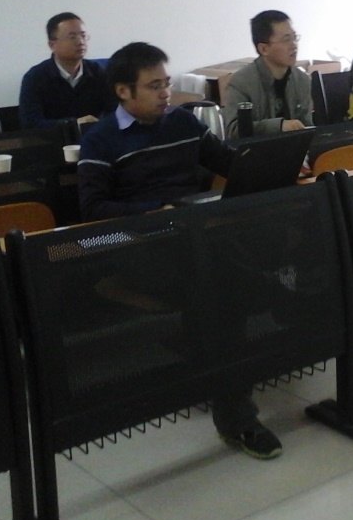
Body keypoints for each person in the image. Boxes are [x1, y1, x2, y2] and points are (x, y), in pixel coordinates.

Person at [77, 41, 283, 459]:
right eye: (153, 86)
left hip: (195, 236)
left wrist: (273, 165)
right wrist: (154, 211)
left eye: (166, 84)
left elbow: (228, 162)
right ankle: (238, 417)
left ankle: (217, 361)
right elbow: (93, 209)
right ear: (123, 91)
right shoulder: (101, 139)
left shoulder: (182, 122)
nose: (165, 93)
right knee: (229, 290)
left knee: (230, 281)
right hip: (142, 244)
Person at [223, 10, 313, 138]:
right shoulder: (241, 83)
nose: (294, 45)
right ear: (264, 49)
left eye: (294, 37)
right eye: (286, 39)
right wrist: (279, 126)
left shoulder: (302, 80)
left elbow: (308, 127)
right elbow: (233, 131)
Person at [18, 12, 112, 129]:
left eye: (83, 36)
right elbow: (31, 124)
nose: (80, 42)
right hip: (54, 139)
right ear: (52, 45)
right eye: (72, 37)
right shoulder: (35, 77)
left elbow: (114, 112)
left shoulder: (99, 72)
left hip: (94, 137)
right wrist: (74, 124)